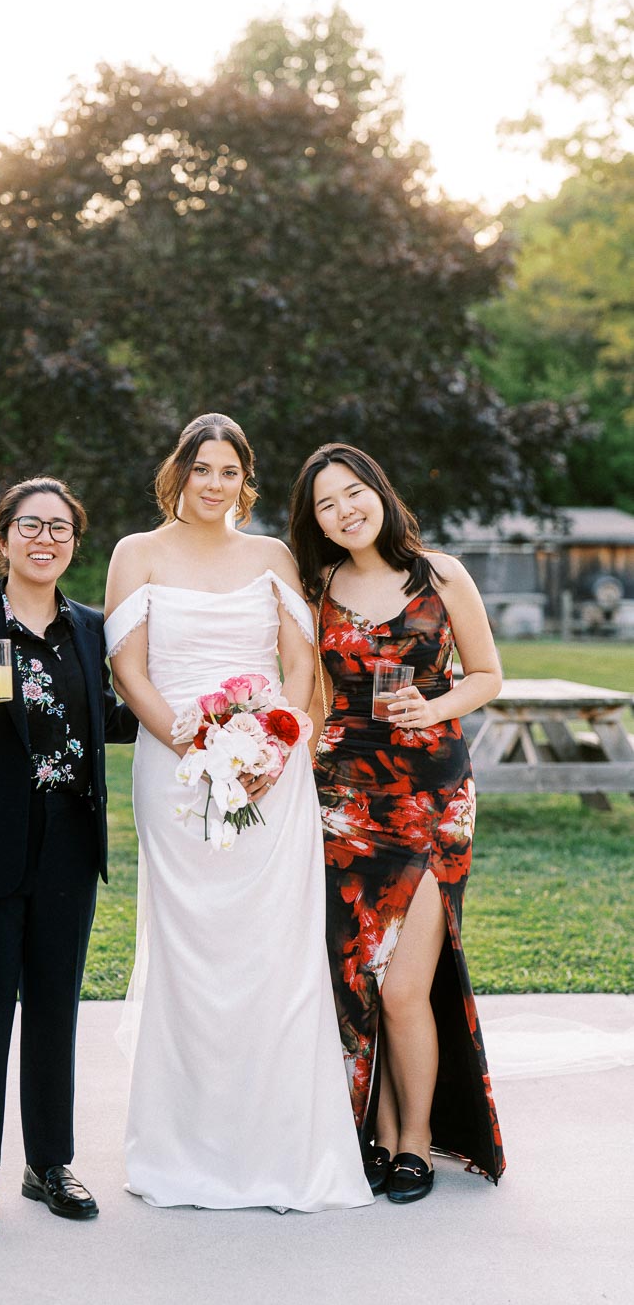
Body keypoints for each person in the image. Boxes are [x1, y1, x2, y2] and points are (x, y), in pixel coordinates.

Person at [103, 414, 372, 1212]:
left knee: (273, 951)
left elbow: (299, 661)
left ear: (244, 479)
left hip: (271, 771)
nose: (213, 483)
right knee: (192, 955)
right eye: (201, 468)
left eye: (228, 470)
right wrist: (195, 747)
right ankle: (184, 1149)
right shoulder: (135, 553)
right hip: (177, 774)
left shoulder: (272, 557)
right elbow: (129, 668)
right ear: (177, 472)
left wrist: (269, 752)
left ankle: (284, 1149)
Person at [0, 476, 138, 1240]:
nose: (47, 539)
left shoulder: (92, 629)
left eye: (62, 528)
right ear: (2, 536)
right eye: (31, 525)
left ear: (75, 542)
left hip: (69, 846)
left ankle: (50, 1164)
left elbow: (108, 716)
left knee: (54, 1012)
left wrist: (201, 702)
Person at [288, 442, 506, 1203]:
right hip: (343, 801)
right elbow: (308, 697)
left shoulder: (440, 574)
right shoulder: (315, 587)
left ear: (379, 491)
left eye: (354, 493)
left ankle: (414, 1143)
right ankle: (373, 1137)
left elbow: (487, 674)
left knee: (407, 984)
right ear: (314, 520)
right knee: (358, 981)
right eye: (326, 503)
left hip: (432, 800)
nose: (345, 510)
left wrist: (435, 704)